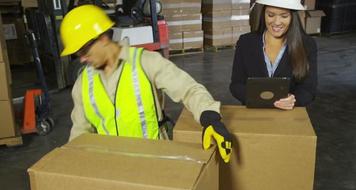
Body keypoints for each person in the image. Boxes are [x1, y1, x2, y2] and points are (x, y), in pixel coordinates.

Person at [60, 5, 232, 162]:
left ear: (103, 38)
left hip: (155, 162)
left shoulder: (145, 62)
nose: (82, 58)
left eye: (83, 50)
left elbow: (189, 89)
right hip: (112, 166)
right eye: (77, 54)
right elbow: (79, 132)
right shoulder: (83, 84)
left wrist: (210, 117)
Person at [230, 0, 317, 110]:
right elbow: (236, 85)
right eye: (270, 15)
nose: (276, 22)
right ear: (264, 14)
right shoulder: (246, 42)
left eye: (284, 16)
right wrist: (256, 98)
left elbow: (309, 89)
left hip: (288, 113)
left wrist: (293, 99)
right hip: (254, 112)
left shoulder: (307, 45)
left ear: (292, 17)